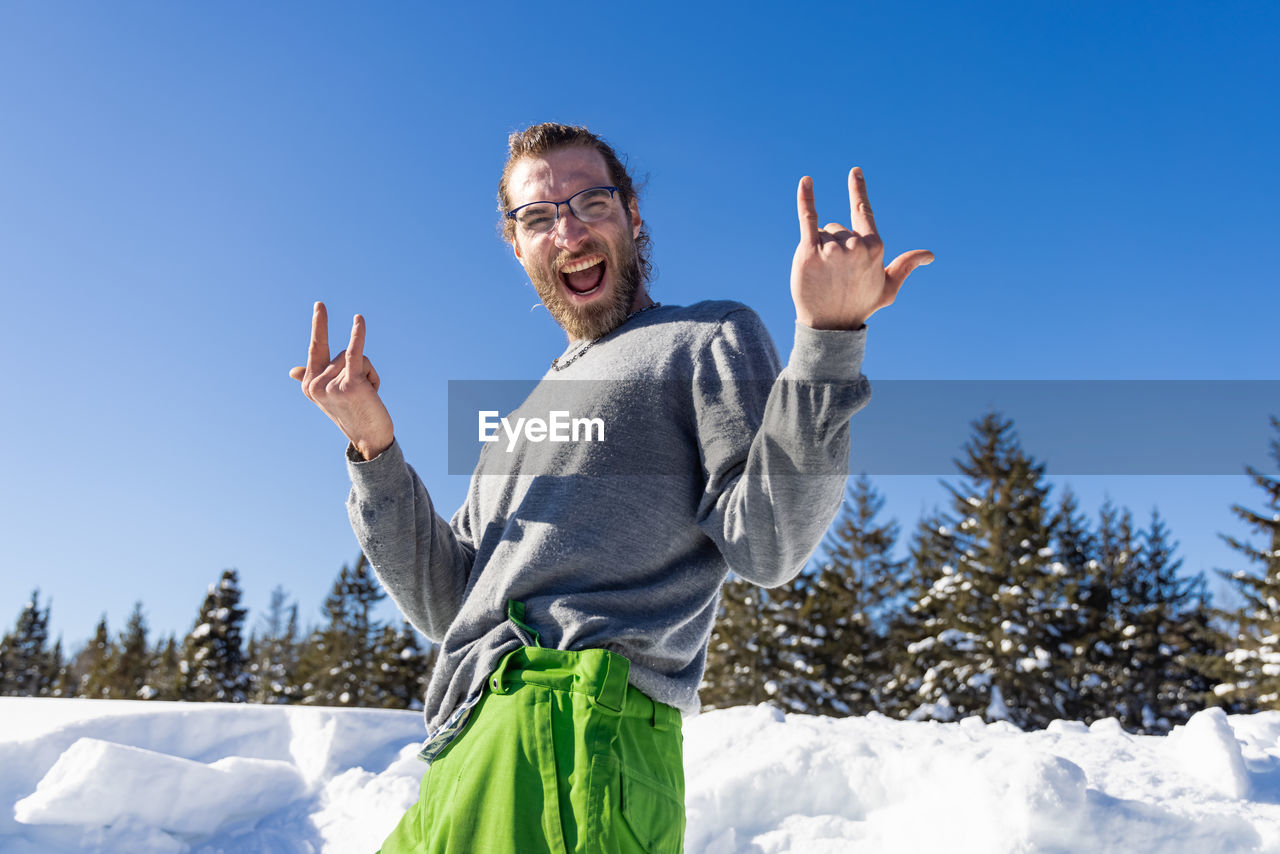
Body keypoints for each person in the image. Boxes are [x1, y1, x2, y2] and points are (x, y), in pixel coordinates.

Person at [290, 122, 932, 854]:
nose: (566, 230)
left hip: (581, 727)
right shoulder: (521, 418)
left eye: (590, 202)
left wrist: (827, 337)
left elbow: (768, 544)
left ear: (632, 215)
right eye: (537, 217)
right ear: (516, 244)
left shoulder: (705, 335)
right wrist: (374, 449)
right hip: (465, 740)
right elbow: (447, 604)